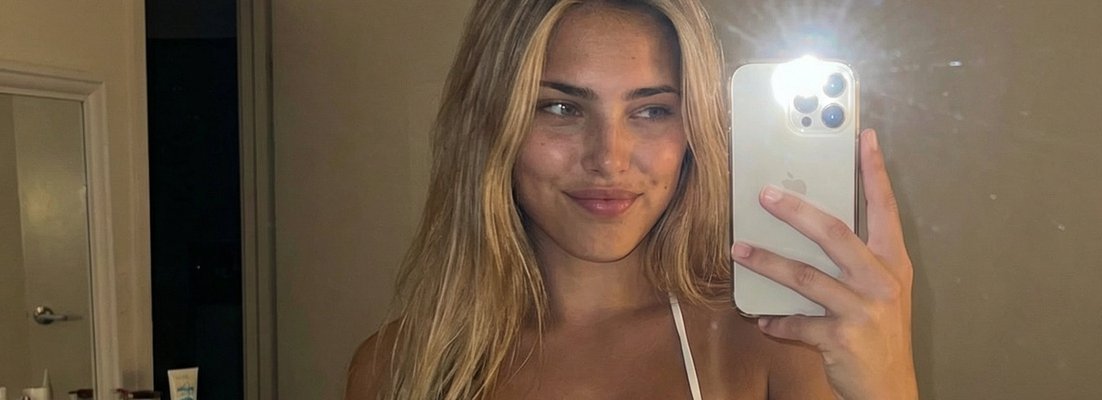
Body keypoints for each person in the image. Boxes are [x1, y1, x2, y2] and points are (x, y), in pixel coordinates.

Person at [345, 0, 917, 399]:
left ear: (693, 131)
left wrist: (888, 385)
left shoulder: (775, 345)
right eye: (561, 107)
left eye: (651, 111)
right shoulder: (396, 370)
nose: (609, 159)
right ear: (493, 123)